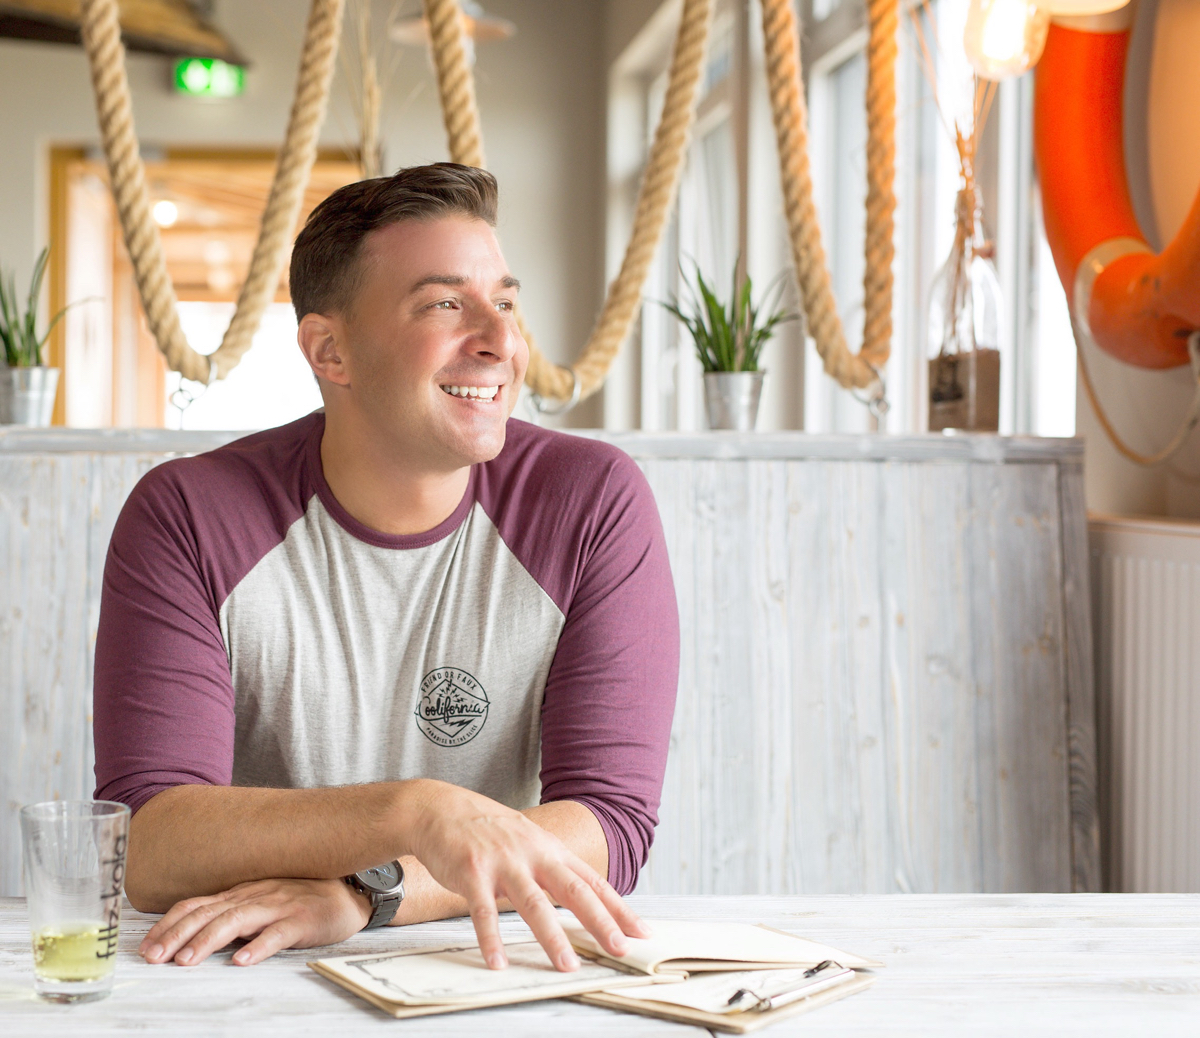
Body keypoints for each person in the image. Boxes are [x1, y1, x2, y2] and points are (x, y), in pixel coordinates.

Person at [92, 163, 679, 973]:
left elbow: (609, 826)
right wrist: (416, 811)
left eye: (505, 302)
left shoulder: (591, 499)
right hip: (242, 980)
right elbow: (152, 844)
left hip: (482, 972)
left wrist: (370, 892)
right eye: (445, 304)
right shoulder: (188, 514)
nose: (502, 340)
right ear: (329, 350)